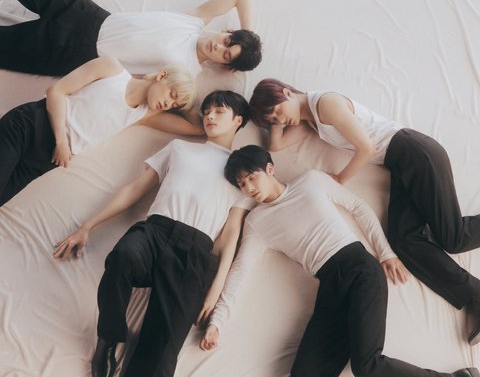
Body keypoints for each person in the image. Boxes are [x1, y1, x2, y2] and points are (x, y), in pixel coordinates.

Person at [201, 145, 479, 377]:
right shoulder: (257, 222)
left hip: (360, 270)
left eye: (251, 177)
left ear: (270, 169)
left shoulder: (310, 181)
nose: (248, 187)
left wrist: (386, 253)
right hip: (330, 288)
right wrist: (217, 322)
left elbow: (358, 207)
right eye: (241, 184)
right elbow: (241, 271)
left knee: (366, 366)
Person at [248, 78, 480, 346]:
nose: (279, 119)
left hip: (415, 152)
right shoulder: (310, 121)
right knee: (404, 242)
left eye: (277, 110)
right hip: (400, 164)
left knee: (453, 238)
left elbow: (366, 148)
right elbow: (275, 146)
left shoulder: (325, 103)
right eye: (272, 119)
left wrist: (340, 179)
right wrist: (275, 118)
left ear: (287, 92)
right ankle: (475, 295)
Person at [53, 90, 253, 377]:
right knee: (122, 257)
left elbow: (231, 232)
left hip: (195, 251)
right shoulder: (179, 148)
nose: (209, 116)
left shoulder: (243, 173)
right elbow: (136, 188)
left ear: (238, 120)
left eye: (219, 111)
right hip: (155, 231)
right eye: (206, 111)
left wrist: (216, 289)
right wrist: (87, 226)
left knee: (163, 349)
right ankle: (109, 339)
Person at [0, 56, 197, 205]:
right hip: (29, 126)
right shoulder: (111, 68)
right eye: (172, 94)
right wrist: (61, 141)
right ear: (162, 75)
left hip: (45, 159)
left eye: (174, 105)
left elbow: (197, 128)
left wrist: (197, 104)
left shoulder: (143, 115)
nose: (168, 103)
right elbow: (56, 91)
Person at [0, 0, 262, 76]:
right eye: (228, 41)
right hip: (88, 15)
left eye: (226, 55)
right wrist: (247, 36)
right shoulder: (195, 20)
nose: (219, 47)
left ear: (225, 65)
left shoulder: (187, 73)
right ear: (228, 31)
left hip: (75, 53)